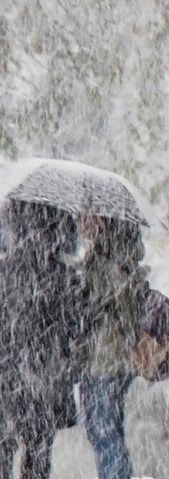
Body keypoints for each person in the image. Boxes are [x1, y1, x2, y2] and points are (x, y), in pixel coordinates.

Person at [0, 201, 91, 479]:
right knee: (39, 450)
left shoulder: (6, 272)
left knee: (4, 445)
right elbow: (77, 329)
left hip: (8, 372)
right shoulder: (64, 277)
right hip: (45, 374)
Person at [77, 216, 149, 479]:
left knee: (104, 434)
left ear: (103, 221)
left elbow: (113, 305)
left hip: (105, 359)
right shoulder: (120, 256)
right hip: (112, 359)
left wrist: (87, 295)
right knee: (108, 434)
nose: (80, 223)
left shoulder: (108, 260)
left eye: (87, 217)